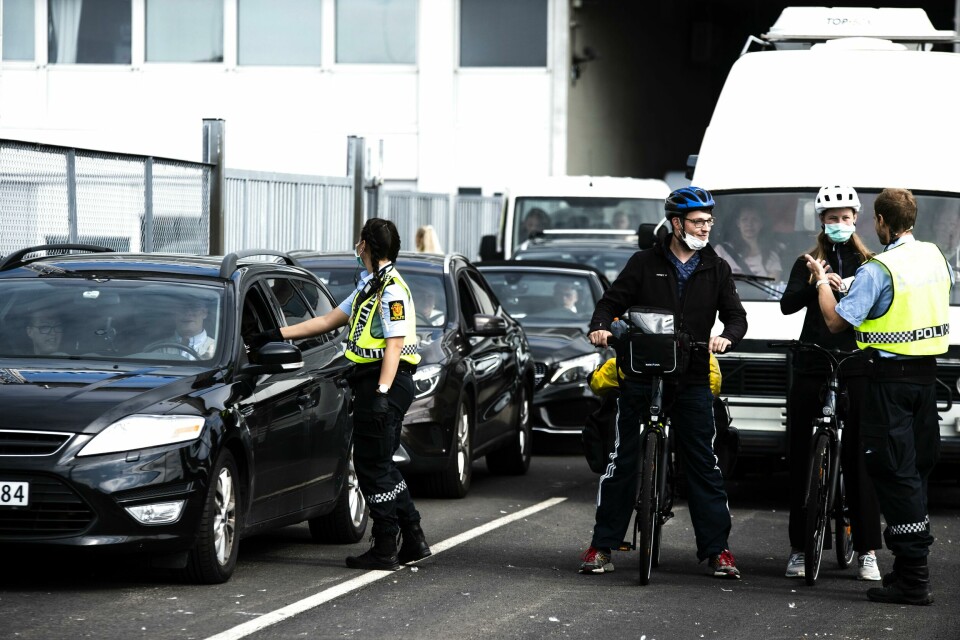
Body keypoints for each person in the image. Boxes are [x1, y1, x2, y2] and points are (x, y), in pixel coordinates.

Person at [580, 186, 748, 579]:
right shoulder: (643, 263)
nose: (706, 228)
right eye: (698, 221)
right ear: (676, 224)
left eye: (709, 221)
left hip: (691, 377)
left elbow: (736, 317)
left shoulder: (716, 267)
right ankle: (601, 546)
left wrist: (727, 337)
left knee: (704, 463)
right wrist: (600, 328)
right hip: (642, 373)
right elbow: (609, 303)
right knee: (622, 461)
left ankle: (717, 551)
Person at [253, 218, 431, 571]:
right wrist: (275, 333)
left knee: (371, 466)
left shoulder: (392, 289)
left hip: (386, 383)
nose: (356, 246)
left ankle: (386, 544)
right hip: (372, 382)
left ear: (366, 245)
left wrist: (381, 392)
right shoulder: (370, 287)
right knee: (379, 464)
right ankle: (412, 536)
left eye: (359, 241)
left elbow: (394, 344)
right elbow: (328, 320)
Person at [803, 188, 951, 605]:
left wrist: (821, 283)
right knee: (916, 471)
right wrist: (854, 283)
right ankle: (907, 570)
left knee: (892, 474)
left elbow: (834, 322)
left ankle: (913, 580)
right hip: (927, 381)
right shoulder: (935, 257)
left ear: (881, 222)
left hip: (889, 383)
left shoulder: (879, 268)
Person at [779, 186, 883, 581]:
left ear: (855, 218)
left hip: (856, 361)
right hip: (813, 361)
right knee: (802, 457)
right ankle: (799, 548)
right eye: (831, 218)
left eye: (844, 217)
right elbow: (787, 304)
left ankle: (868, 550)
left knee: (860, 457)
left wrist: (848, 287)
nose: (838, 224)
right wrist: (816, 282)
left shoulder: (871, 261)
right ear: (820, 221)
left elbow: (878, 306)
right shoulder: (808, 260)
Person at [714, 206, 783, 280]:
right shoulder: (721, 251)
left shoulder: (771, 256)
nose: (749, 224)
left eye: (754, 220)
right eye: (744, 220)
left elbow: (772, 285)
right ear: (738, 223)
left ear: (761, 224)